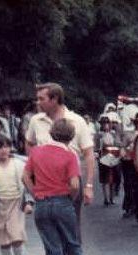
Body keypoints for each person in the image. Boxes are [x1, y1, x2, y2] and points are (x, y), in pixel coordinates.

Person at [22, 119, 92, 255]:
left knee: (54, 252)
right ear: (70, 137)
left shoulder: (36, 152)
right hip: (62, 202)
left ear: (51, 133)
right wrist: (71, 197)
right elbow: (75, 183)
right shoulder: (70, 155)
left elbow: (25, 176)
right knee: (73, 247)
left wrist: (35, 193)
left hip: (42, 204)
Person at [25, 83, 96, 229]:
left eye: (41, 99)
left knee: (72, 231)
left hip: (71, 183)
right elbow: (29, 143)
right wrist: (33, 168)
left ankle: (71, 252)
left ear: (54, 99)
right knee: (50, 232)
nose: (37, 102)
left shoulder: (77, 121)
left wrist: (89, 185)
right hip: (45, 183)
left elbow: (89, 154)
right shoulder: (36, 121)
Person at [96, 114, 120, 206]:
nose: (105, 125)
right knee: (104, 179)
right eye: (103, 123)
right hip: (103, 158)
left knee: (113, 179)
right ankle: (106, 198)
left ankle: (111, 198)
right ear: (101, 125)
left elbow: (117, 144)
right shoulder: (99, 135)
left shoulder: (113, 134)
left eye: (107, 123)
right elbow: (97, 147)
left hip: (113, 157)